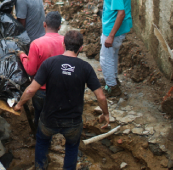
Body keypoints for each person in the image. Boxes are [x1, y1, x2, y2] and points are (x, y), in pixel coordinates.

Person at [14, 30, 110, 170]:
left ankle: (40, 167)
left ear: (63, 43)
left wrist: (19, 104)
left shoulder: (49, 63)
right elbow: (101, 96)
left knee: (42, 142)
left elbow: (30, 90)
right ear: (81, 48)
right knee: (71, 148)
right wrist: (105, 113)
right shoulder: (86, 68)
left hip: (49, 118)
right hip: (73, 121)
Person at [94, 0, 132, 97]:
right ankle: (113, 79)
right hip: (118, 28)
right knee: (113, 56)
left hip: (113, 29)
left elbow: (120, 13)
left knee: (105, 58)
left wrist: (110, 36)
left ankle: (112, 87)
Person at [18, 11, 65, 128]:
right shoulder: (67, 42)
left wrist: (22, 56)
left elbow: (30, 71)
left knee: (40, 117)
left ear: (44, 24)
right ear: (59, 27)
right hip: (61, 90)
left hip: (42, 91)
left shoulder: (37, 44)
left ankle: (40, 136)